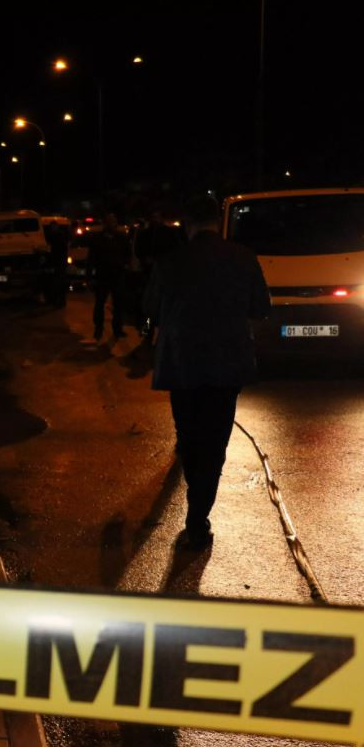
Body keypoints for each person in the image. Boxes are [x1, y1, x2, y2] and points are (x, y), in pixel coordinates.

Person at [144, 195, 270, 548]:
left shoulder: (170, 262)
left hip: (181, 362)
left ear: (188, 225)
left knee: (189, 437)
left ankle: (195, 498)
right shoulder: (243, 258)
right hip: (226, 363)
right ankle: (198, 516)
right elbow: (261, 308)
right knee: (215, 440)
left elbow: (149, 306)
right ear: (217, 221)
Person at [134, 209, 185, 344]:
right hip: (149, 272)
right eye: (153, 217)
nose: (155, 220)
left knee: (162, 305)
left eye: (157, 217)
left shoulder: (168, 234)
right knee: (149, 307)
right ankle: (147, 332)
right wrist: (145, 259)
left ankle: (161, 335)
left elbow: (176, 249)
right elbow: (138, 250)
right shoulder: (145, 234)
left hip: (164, 274)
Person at [87, 212, 131, 340]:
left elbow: (127, 253)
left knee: (118, 304)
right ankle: (98, 328)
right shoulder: (98, 239)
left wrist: (124, 265)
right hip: (103, 275)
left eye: (114, 221)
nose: (113, 224)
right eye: (110, 221)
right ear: (105, 224)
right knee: (100, 303)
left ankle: (117, 329)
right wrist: (89, 277)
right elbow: (91, 258)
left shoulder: (121, 237)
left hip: (118, 275)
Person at [44, 221, 69, 307]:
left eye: (54, 226)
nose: (53, 228)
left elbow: (63, 248)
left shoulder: (59, 235)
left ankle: (60, 300)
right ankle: (55, 300)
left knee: (59, 282)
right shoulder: (51, 235)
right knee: (55, 282)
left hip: (59, 261)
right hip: (55, 261)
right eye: (52, 227)